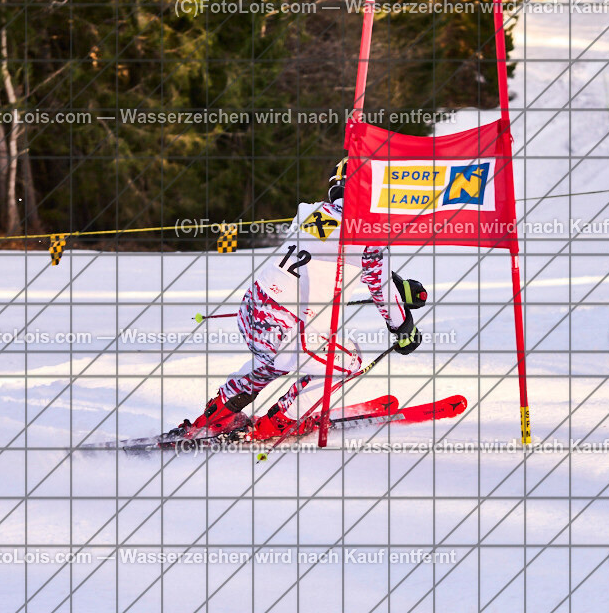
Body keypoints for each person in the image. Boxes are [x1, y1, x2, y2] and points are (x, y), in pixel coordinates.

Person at [169, 158, 426, 441]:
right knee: (348, 359)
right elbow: (380, 287)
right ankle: (281, 421)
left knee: (271, 362)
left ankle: (217, 415)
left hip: (252, 312)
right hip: (287, 328)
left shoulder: (309, 212)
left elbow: (335, 253)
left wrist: (397, 284)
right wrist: (404, 328)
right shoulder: (367, 234)